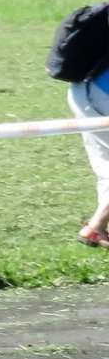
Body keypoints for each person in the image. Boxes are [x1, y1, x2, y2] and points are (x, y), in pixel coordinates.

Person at [68, 55, 109, 249]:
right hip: (102, 93)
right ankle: (95, 227)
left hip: (84, 89)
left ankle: (99, 231)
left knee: (106, 168)